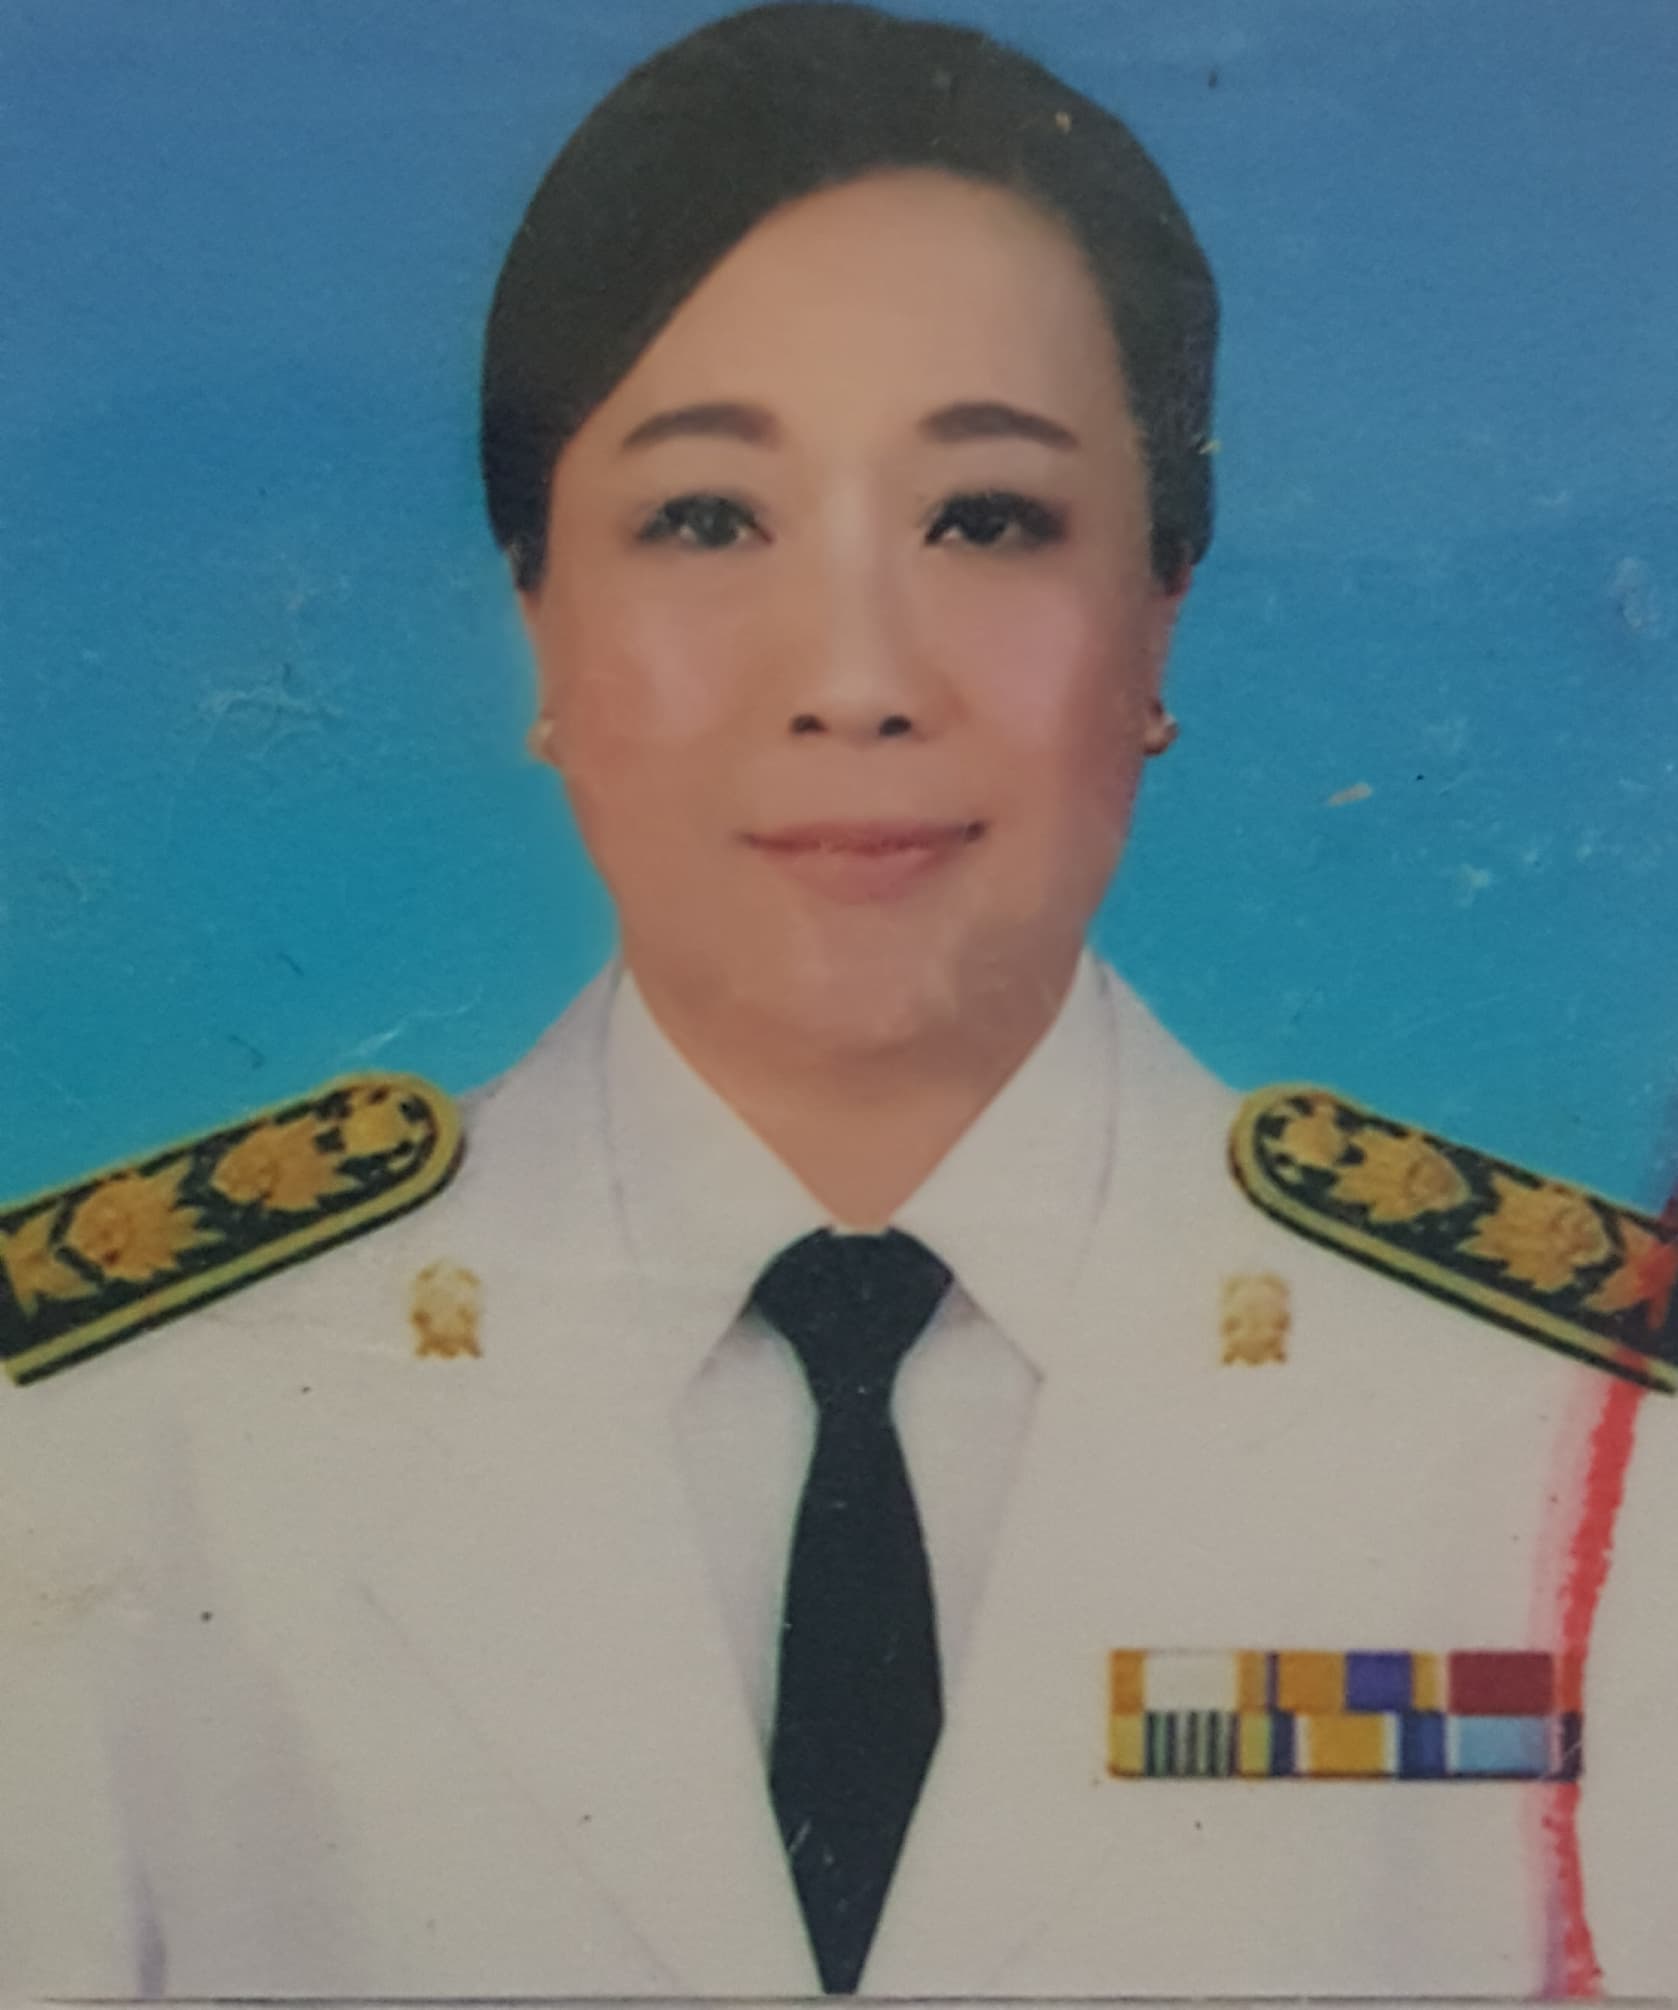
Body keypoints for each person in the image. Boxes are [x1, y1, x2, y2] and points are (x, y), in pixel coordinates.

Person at [0, 2, 1673, 1998]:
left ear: (1160, 604)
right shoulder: (121, 1436)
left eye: (987, 519)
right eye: (705, 520)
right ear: (536, 613)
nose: (855, 679)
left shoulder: (1563, 1438)